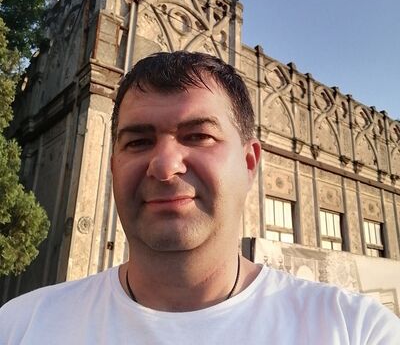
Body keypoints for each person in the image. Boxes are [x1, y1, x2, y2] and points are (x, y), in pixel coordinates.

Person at [0, 51, 399, 344]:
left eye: (198, 136)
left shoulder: (353, 330)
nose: (164, 165)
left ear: (249, 163)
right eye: (138, 141)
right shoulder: (21, 328)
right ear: (112, 165)